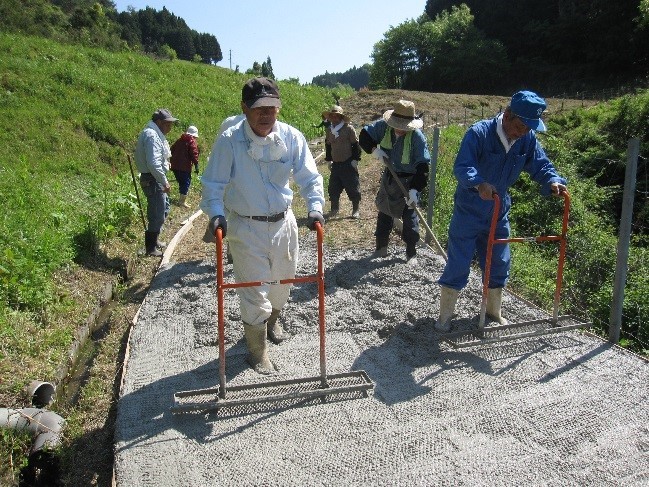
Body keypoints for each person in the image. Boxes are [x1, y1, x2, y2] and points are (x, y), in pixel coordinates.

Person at [200, 77, 325, 374]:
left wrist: (316, 208)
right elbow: (212, 184)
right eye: (259, 109)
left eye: (272, 108)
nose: (266, 115)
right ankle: (256, 351)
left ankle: (272, 322)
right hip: (246, 226)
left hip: (284, 223)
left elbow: (309, 176)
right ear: (244, 108)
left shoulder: (291, 137)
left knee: (283, 282)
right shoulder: (230, 141)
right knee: (254, 288)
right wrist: (216, 214)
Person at [435, 90, 568, 332]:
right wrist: (479, 183)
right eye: (520, 126)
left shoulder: (526, 140)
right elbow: (463, 166)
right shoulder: (479, 133)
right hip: (470, 208)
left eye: (529, 129)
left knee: (499, 261)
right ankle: (445, 317)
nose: (523, 132)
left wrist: (552, 180)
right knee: (459, 261)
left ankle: (493, 312)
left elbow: (540, 163)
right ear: (507, 115)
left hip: (499, 208)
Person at [359, 99, 431, 265]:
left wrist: (415, 189)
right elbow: (364, 135)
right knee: (384, 211)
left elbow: (423, 166)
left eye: (404, 126)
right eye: (397, 125)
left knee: (410, 217)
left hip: (410, 180)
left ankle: (411, 253)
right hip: (390, 177)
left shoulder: (417, 138)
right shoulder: (383, 127)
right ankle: (381, 248)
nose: (400, 129)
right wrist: (374, 150)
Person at [134, 108, 178, 257]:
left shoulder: (153, 134)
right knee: (157, 213)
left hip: (154, 178)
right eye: (167, 124)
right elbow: (153, 163)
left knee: (163, 208)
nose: (170, 128)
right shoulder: (152, 136)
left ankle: (155, 241)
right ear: (159, 122)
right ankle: (150, 247)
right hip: (153, 179)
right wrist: (164, 181)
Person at [323, 105, 362, 218]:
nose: (334, 118)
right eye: (332, 116)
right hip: (336, 164)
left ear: (341, 117)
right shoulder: (329, 130)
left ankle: (355, 210)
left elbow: (355, 144)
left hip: (348, 163)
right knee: (333, 188)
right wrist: (329, 160)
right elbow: (328, 146)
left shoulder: (348, 129)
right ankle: (334, 209)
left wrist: (355, 159)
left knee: (353, 187)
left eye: (337, 116)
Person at [170, 125, 200, 208]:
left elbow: (171, 150)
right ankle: (182, 202)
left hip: (175, 166)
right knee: (186, 183)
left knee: (181, 182)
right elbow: (194, 154)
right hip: (184, 167)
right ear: (194, 135)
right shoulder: (191, 141)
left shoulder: (179, 140)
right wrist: (196, 165)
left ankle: (181, 199)